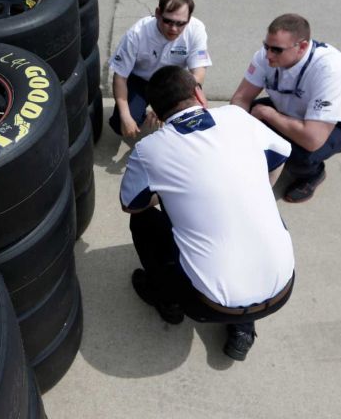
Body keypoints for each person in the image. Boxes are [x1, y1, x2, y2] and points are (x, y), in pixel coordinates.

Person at [120, 66, 295, 361]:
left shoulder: (149, 150)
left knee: (145, 221)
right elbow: (281, 154)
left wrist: (168, 195)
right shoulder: (238, 117)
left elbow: (131, 204)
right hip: (283, 287)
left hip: (207, 306)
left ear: (158, 114)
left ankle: (170, 301)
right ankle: (243, 329)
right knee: (254, 214)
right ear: (198, 94)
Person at [230, 13, 341, 202]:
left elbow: (312, 139)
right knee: (240, 116)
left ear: (302, 46)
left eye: (277, 50)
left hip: (337, 126)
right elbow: (241, 98)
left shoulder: (332, 71)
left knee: (302, 153)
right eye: (266, 46)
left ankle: (312, 174)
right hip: (293, 109)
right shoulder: (265, 57)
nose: (268, 54)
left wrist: (268, 114)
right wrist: (238, 133)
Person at [108, 0, 212, 139]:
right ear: (158, 13)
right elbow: (120, 77)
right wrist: (125, 116)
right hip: (140, 81)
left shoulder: (196, 30)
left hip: (173, 83)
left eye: (180, 23)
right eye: (168, 21)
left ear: (189, 20)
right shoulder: (137, 33)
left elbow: (198, 73)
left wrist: (165, 107)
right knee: (120, 125)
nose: (174, 28)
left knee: (195, 111)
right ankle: (140, 112)